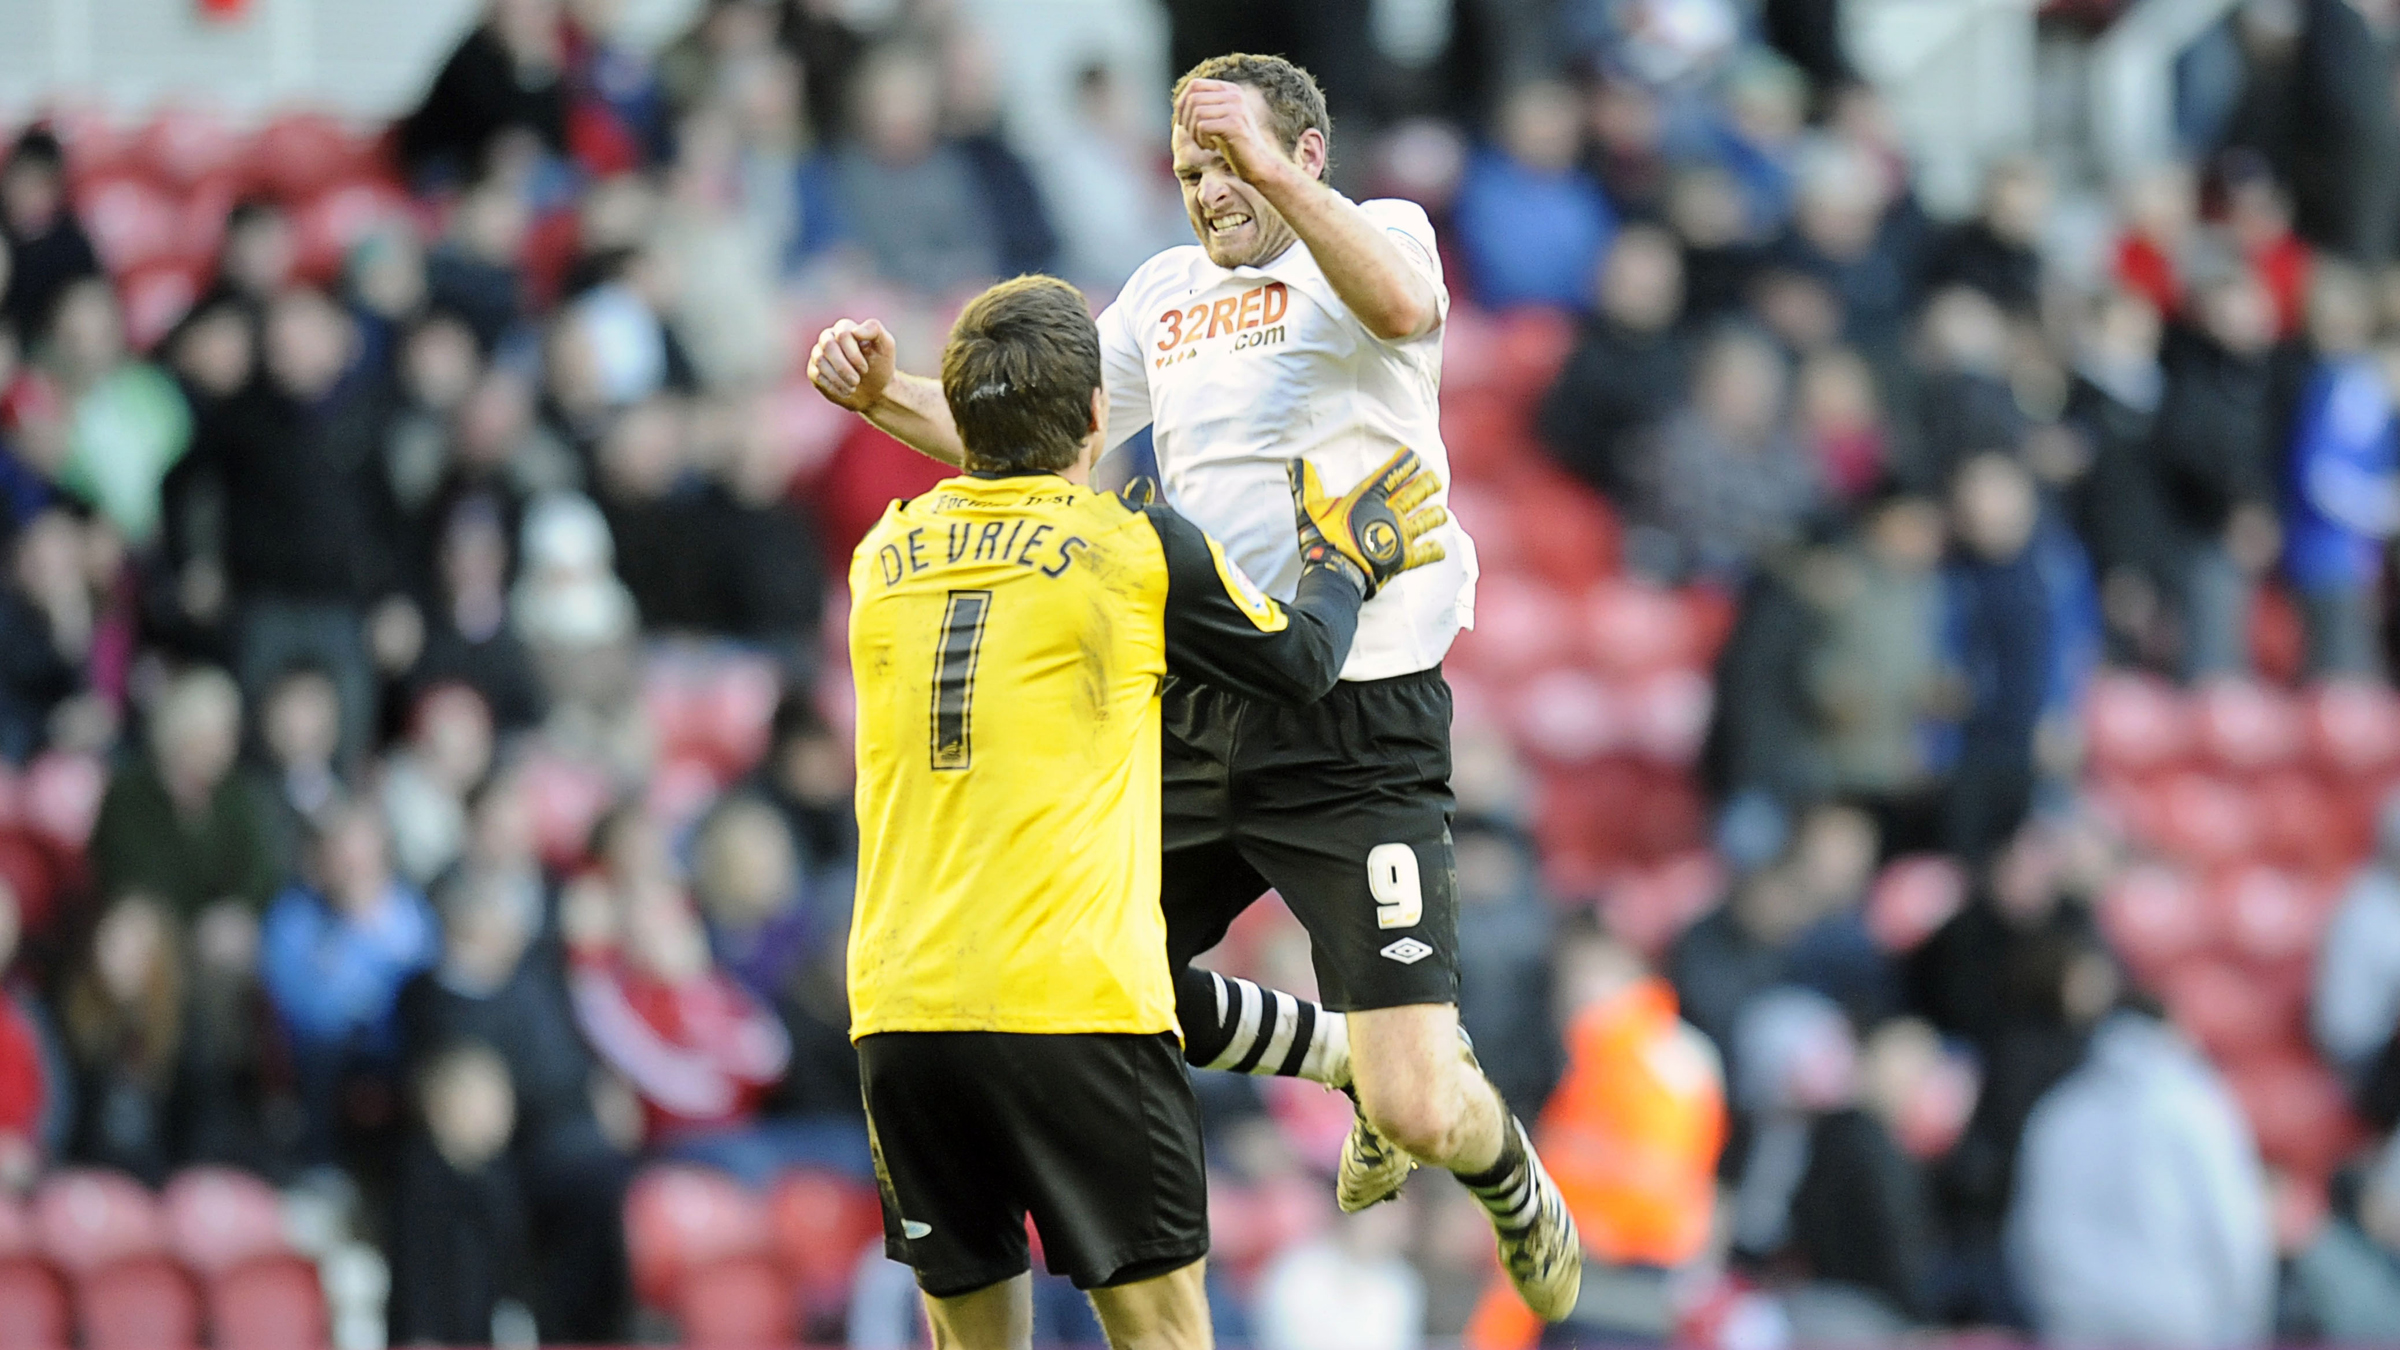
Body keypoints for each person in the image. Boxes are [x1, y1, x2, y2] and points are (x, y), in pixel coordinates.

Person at [809, 54, 1583, 1323]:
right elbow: (1039, 442)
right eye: (1189, 171)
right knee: (1091, 974)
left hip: (1362, 718)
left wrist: (1265, 169)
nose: (1209, 192)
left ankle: (1502, 1170)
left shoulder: (1382, 236)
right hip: (1211, 695)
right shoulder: (1165, 292)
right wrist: (878, 397)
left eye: (1231, 161)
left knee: (1421, 1104)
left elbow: (1398, 313)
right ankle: (1331, 1054)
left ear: (1308, 154)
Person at [842, 274, 1441, 1349]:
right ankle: (1341, 1052)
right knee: (1162, 1338)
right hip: (1074, 1007)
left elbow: (993, 499)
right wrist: (1349, 563)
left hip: (901, 1011)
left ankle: (1337, 1053)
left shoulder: (881, 555)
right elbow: (1303, 664)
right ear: (1094, 418)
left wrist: (890, 400)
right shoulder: (1133, 550)